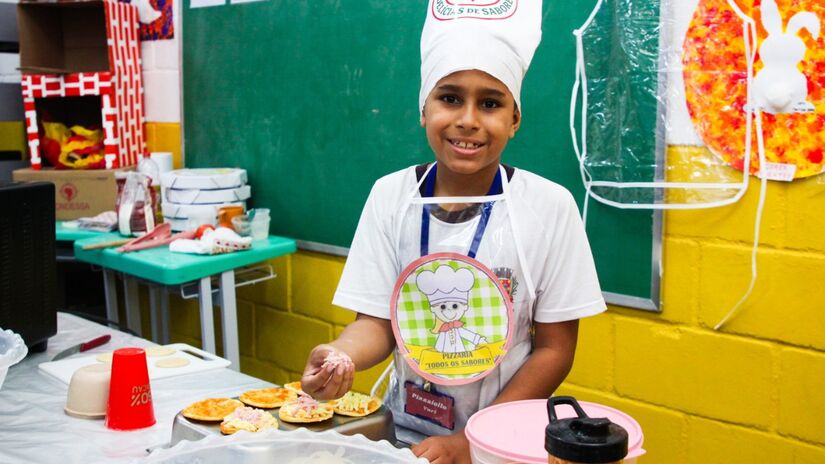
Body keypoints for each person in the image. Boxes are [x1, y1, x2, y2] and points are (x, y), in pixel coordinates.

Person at [301, 2, 606, 462]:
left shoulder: (549, 207)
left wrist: (473, 441)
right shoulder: (391, 196)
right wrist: (339, 354)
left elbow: (555, 350)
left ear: (515, 119)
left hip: (505, 440)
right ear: (423, 109)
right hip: (404, 433)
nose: (468, 119)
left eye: (490, 103)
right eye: (449, 98)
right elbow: (377, 325)